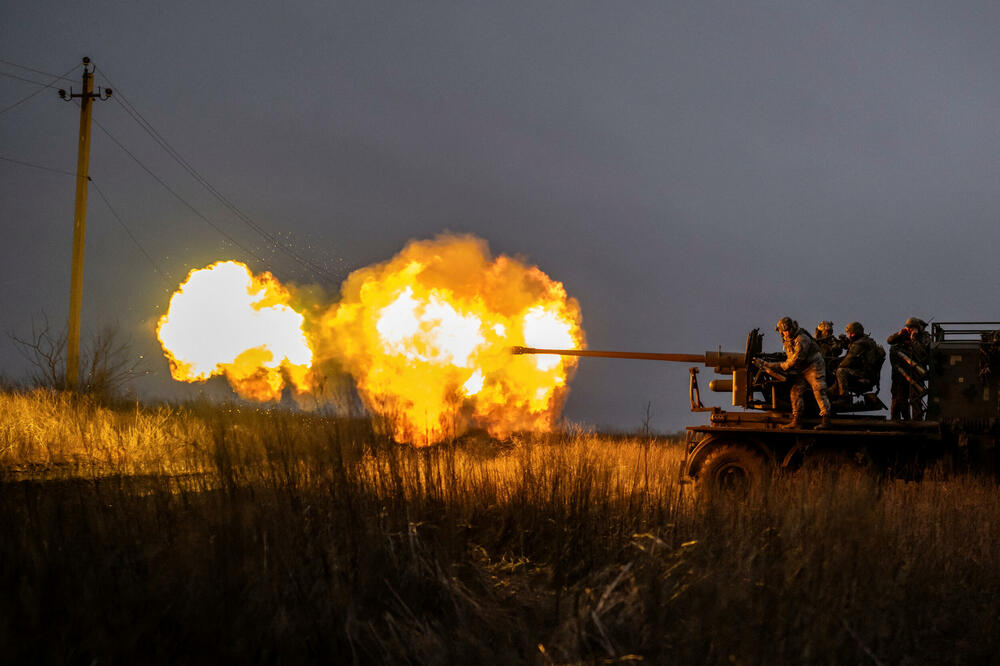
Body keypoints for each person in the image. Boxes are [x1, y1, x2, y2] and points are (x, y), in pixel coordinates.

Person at [770, 317, 832, 430]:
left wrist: (778, 366)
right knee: (795, 391)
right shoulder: (788, 339)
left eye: (788, 330)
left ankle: (826, 420)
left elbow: (797, 359)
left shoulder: (801, 338)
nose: (787, 333)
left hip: (814, 365)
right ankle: (796, 420)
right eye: (784, 331)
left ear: (792, 327)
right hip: (802, 368)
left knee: (818, 389)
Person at [887, 317, 931, 420]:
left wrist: (914, 339)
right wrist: (899, 334)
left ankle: (917, 421)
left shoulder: (924, 337)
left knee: (915, 398)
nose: (910, 329)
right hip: (901, 373)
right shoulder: (903, 334)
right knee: (899, 397)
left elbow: (922, 353)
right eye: (909, 328)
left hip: (916, 373)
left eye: (912, 328)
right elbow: (890, 341)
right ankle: (899, 420)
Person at [833, 322, 885, 402]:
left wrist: (836, 368)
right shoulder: (865, 341)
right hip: (869, 375)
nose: (849, 335)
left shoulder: (859, 344)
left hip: (864, 375)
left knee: (840, 371)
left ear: (854, 333)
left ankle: (844, 398)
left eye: (850, 333)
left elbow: (848, 360)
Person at [815, 320, 846, 385]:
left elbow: (837, 351)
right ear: (820, 332)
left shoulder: (833, 342)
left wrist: (841, 342)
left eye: (830, 332)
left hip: (829, 369)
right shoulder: (814, 343)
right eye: (826, 332)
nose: (828, 334)